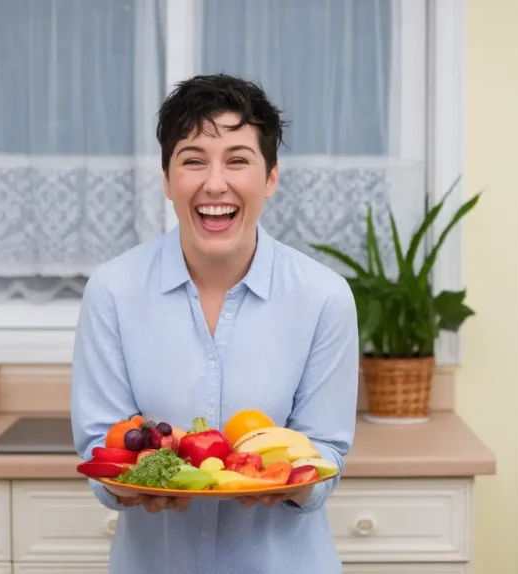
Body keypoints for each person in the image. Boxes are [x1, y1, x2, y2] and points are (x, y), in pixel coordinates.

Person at [70, 73, 359, 574]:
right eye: (193, 160)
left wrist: (285, 485)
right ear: (166, 179)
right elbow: (102, 447)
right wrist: (129, 485)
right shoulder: (113, 291)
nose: (215, 183)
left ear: (271, 177)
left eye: (238, 160)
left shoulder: (323, 297)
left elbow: (327, 450)